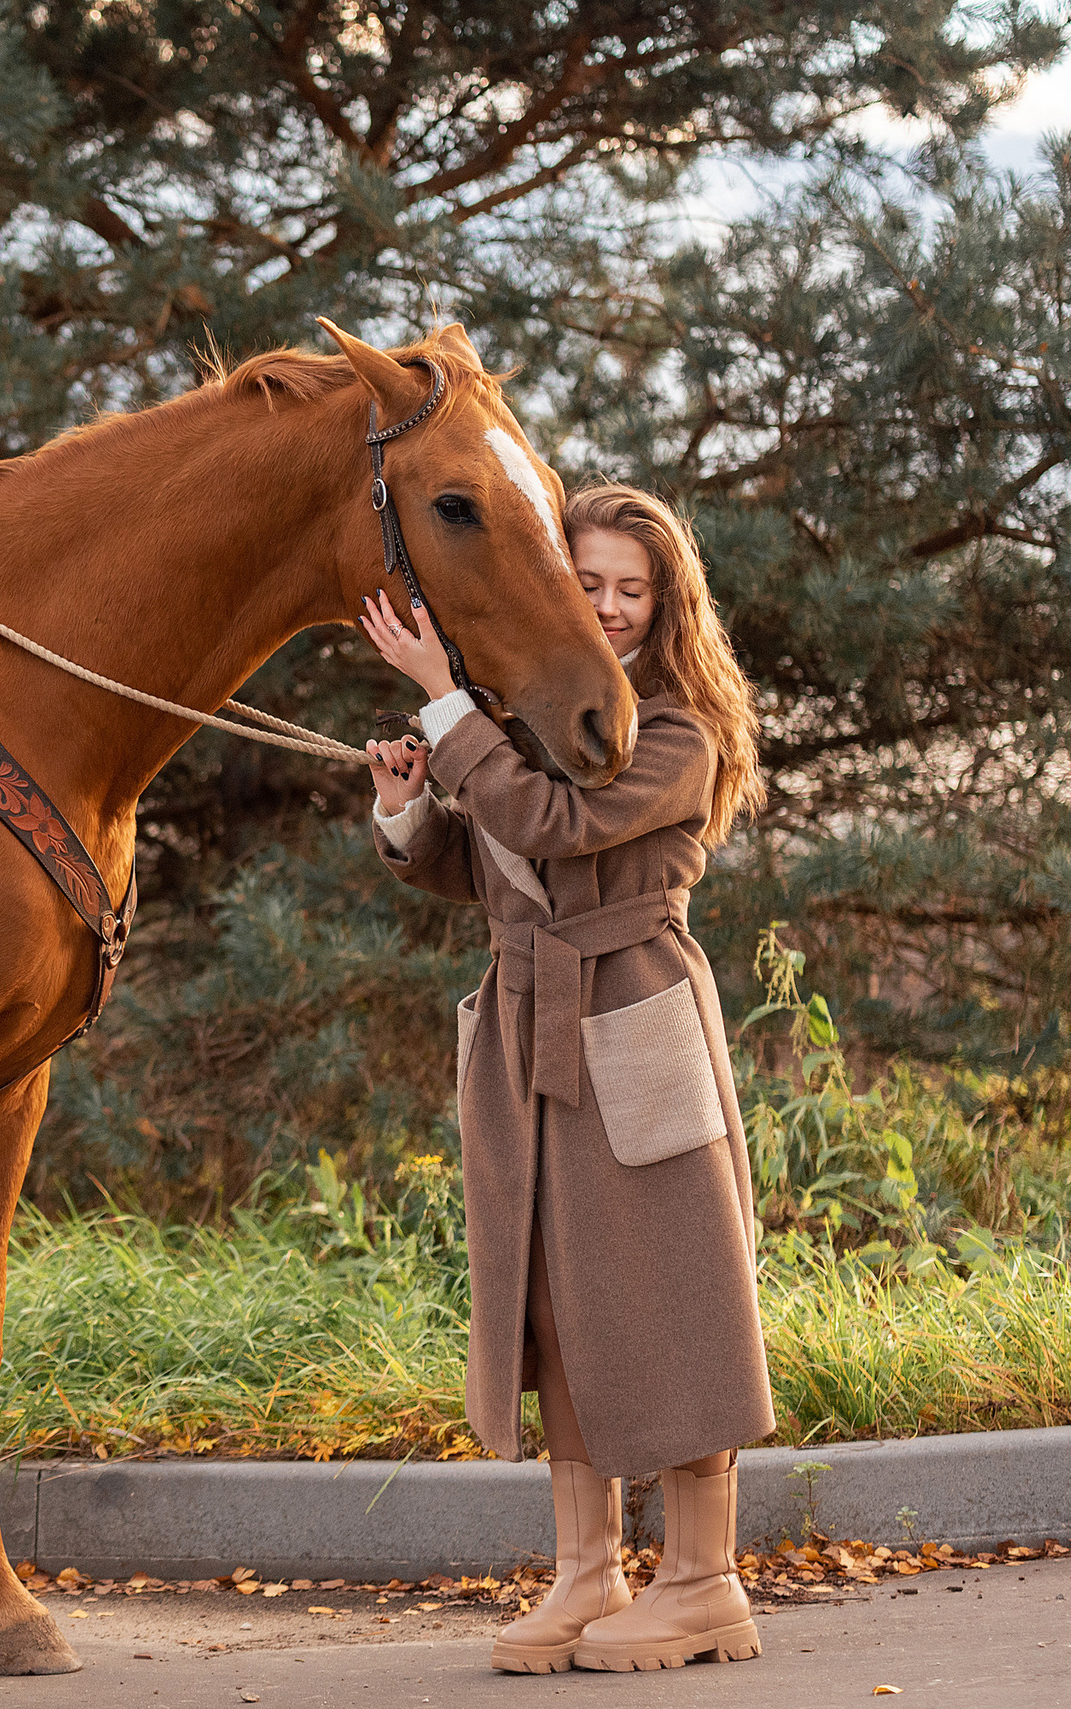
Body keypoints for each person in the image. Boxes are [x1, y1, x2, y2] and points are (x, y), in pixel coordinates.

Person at [362, 483, 774, 1675]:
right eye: (583, 580)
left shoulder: (681, 731)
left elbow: (548, 823)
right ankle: (587, 1573)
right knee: (553, 1301)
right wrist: (407, 810)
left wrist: (446, 704)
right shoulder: (537, 713)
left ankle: (704, 1581)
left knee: (679, 1293)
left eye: (628, 588)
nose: (605, 605)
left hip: (634, 1011)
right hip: (526, 1026)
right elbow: (497, 865)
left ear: (665, 601)